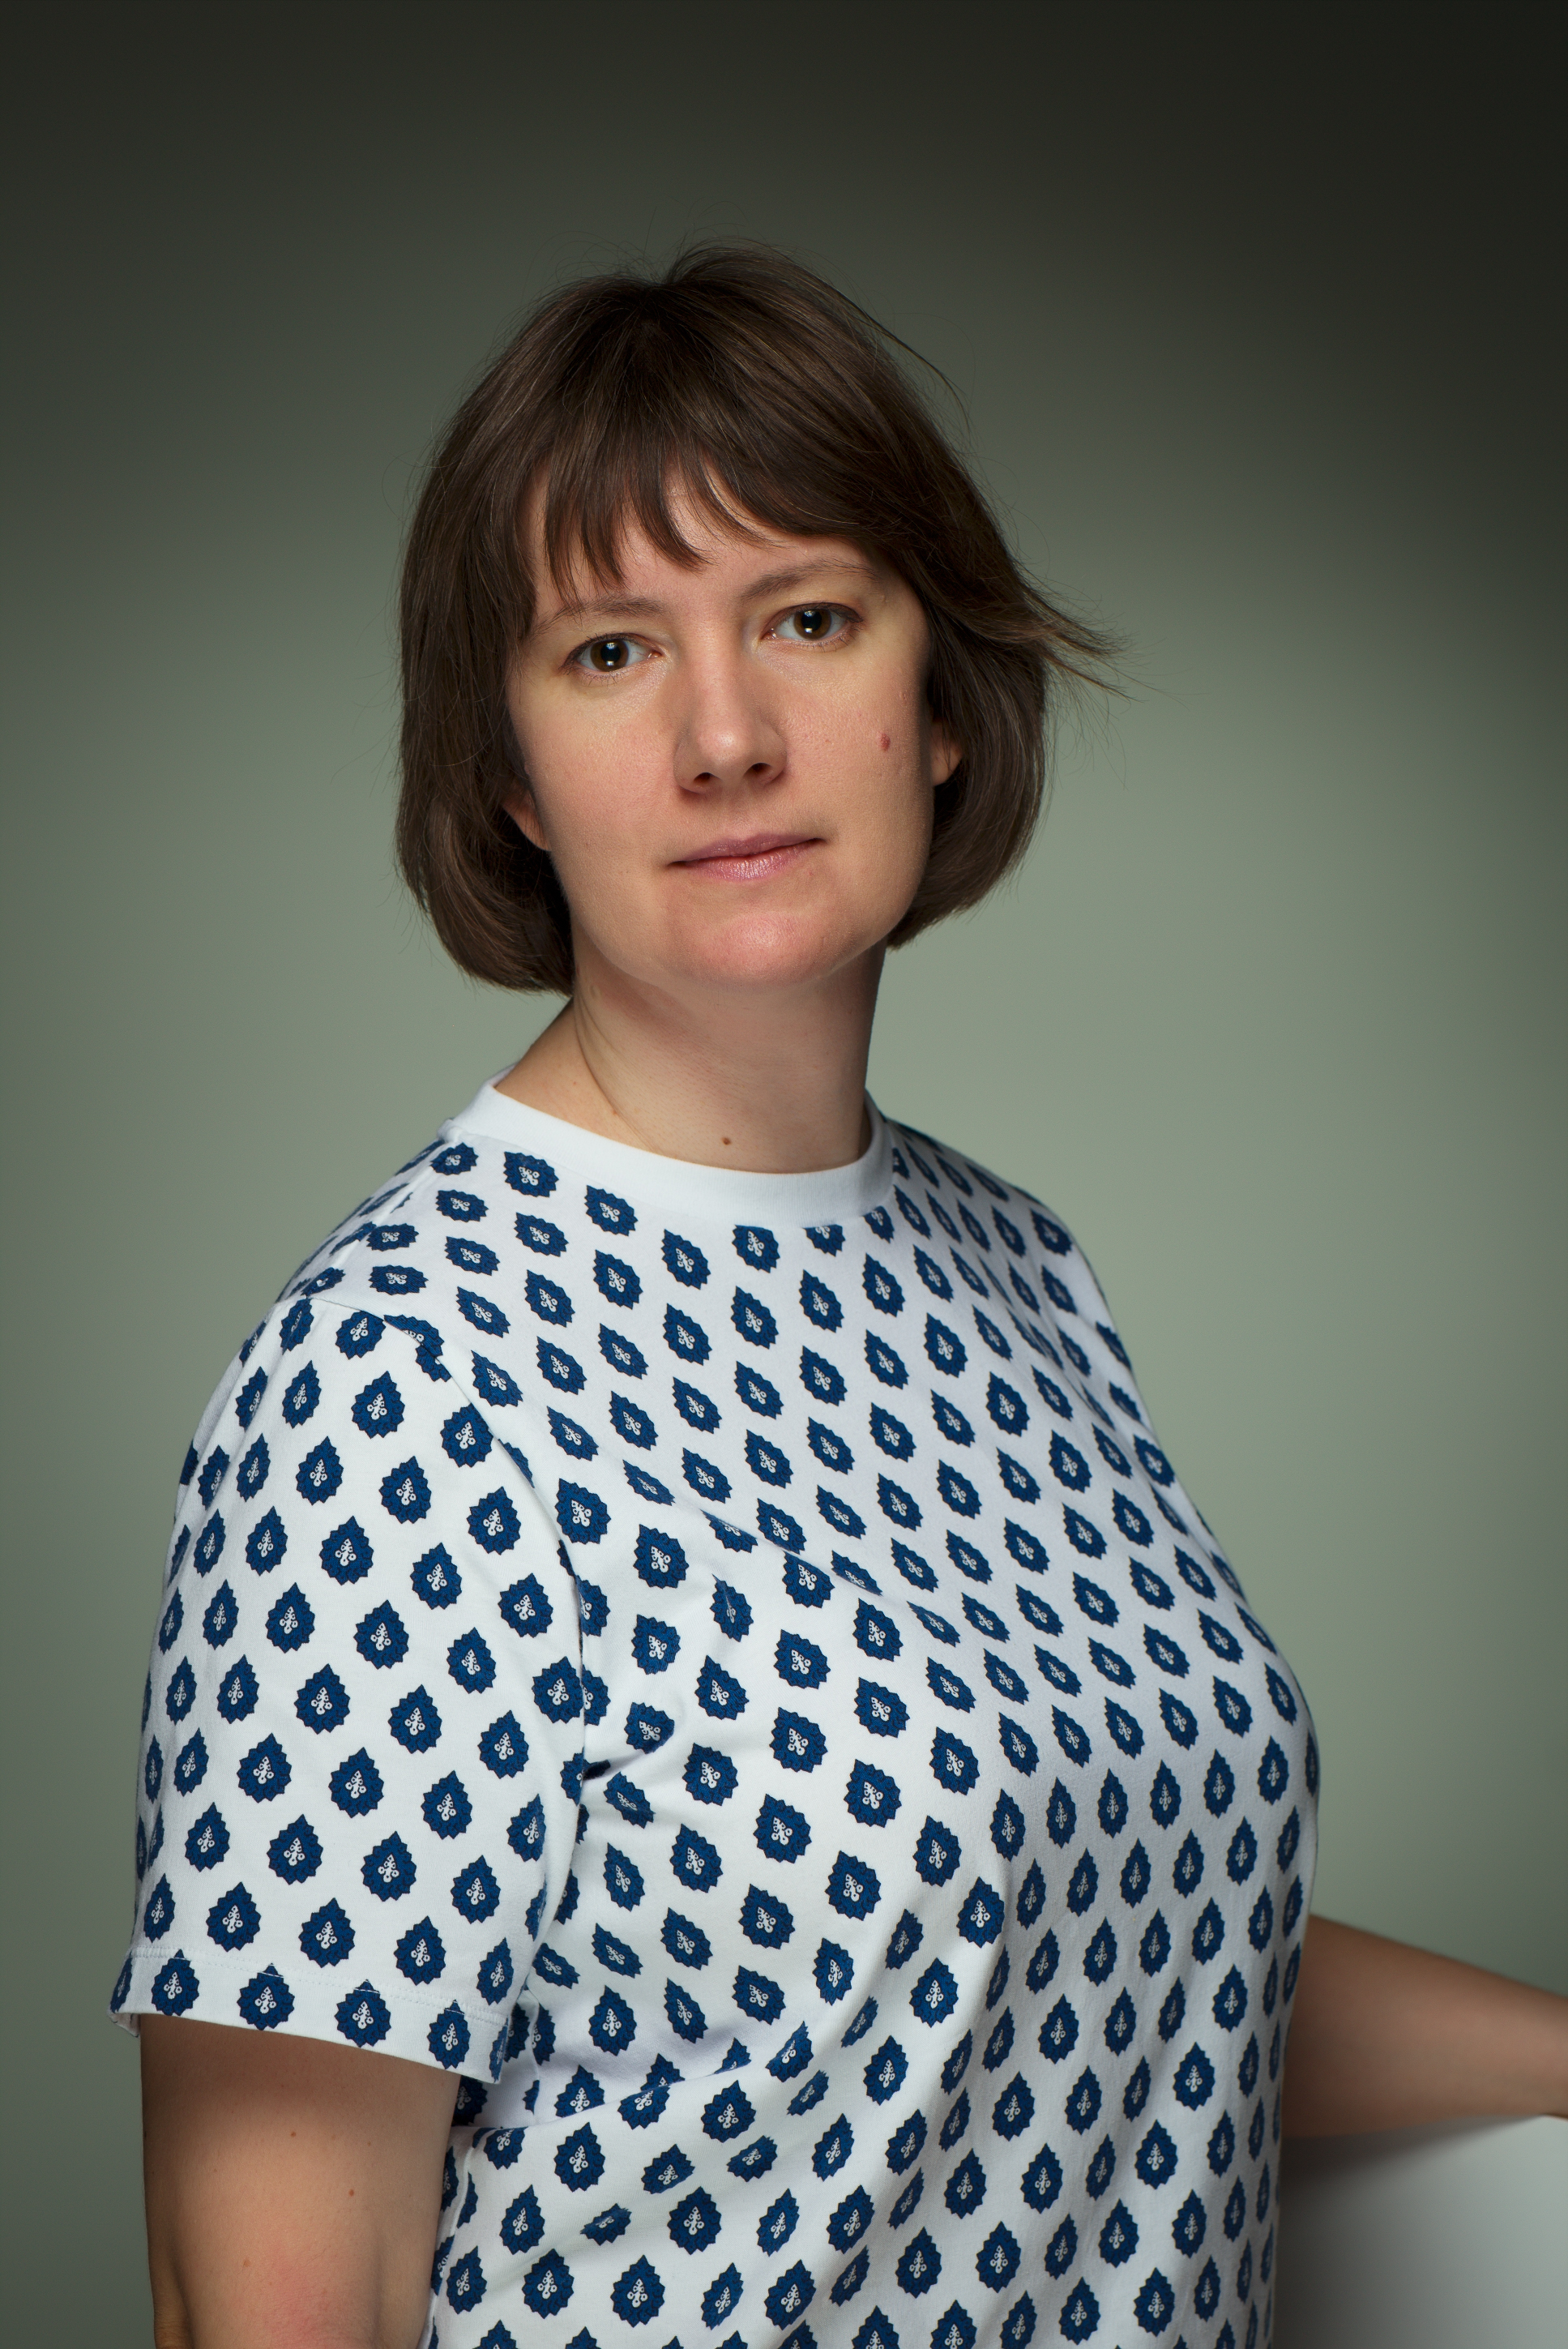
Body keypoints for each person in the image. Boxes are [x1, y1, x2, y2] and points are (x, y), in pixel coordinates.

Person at [118, 247, 1566, 2349]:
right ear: (509, 771)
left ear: (942, 702)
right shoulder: (401, 1387)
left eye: (805, 617)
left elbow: (1110, 1944)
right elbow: (271, 2293)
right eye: (611, 650)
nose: (726, 736)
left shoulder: (1014, 1268)